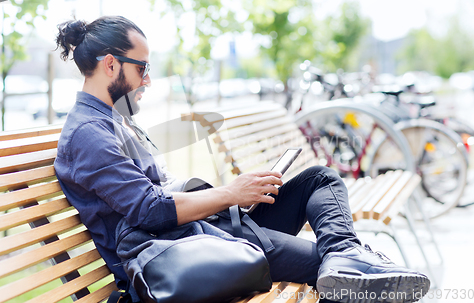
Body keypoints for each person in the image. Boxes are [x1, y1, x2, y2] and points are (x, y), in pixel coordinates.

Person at [54, 16, 430, 303]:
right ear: (110, 65)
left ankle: (344, 252)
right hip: (185, 250)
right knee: (346, 276)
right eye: (142, 68)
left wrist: (235, 193)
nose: (148, 80)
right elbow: (150, 211)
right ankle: (345, 259)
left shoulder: (114, 120)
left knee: (319, 179)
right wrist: (231, 193)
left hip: (209, 229)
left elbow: (161, 197)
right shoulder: (90, 133)